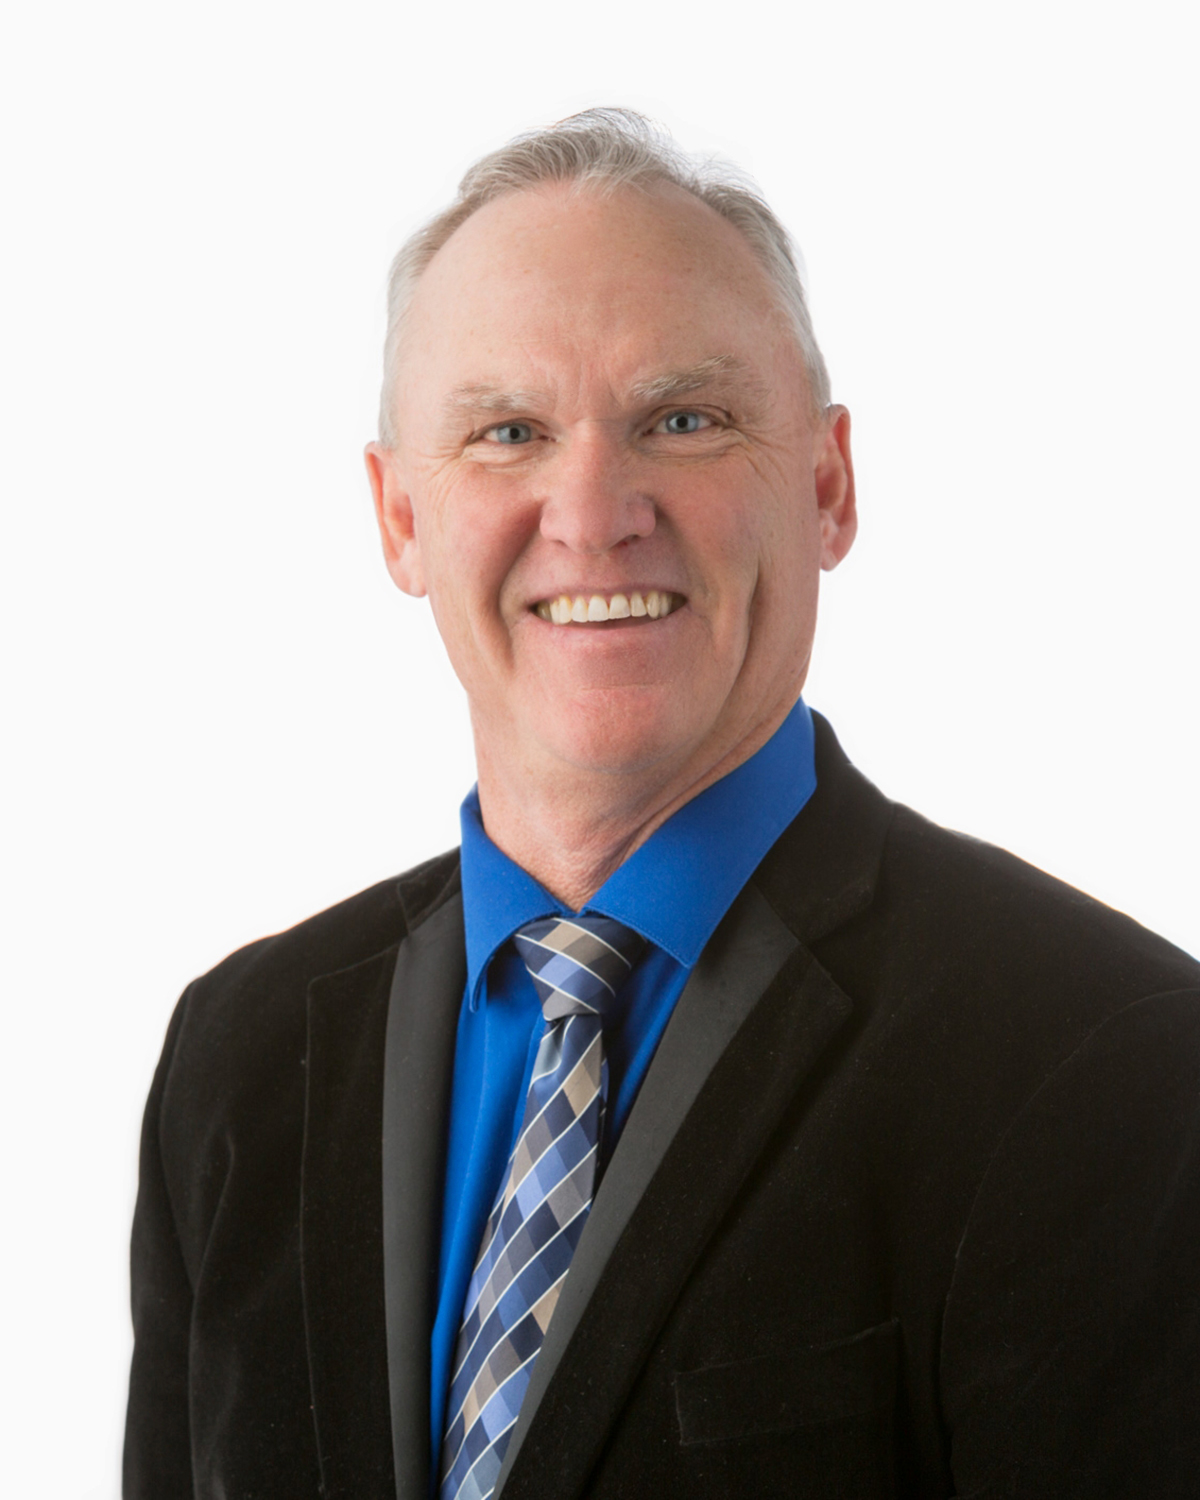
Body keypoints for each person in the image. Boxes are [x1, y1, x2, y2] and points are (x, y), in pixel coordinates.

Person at [124, 109, 1200, 1500]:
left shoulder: (1106, 1059)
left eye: (682, 420)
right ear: (399, 519)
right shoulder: (239, 1059)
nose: (593, 511)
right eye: (508, 432)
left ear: (828, 485)